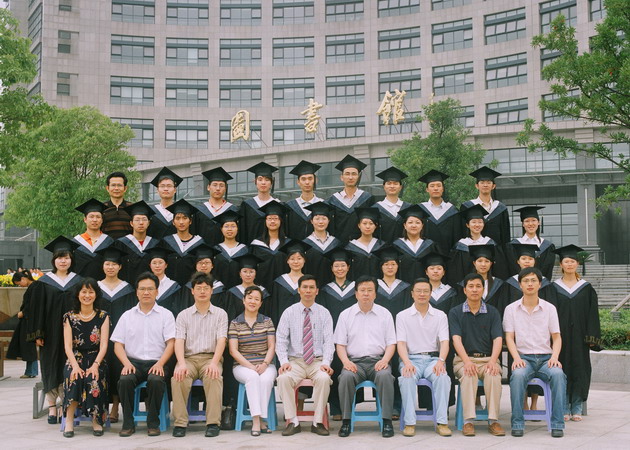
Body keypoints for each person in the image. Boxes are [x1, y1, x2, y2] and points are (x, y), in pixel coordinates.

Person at [25, 236, 82, 425]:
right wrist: (38, 333)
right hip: (49, 333)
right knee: (50, 365)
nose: (63, 261)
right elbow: (36, 309)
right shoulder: (43, 283)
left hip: (74, 333)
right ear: (54, 260)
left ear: (71, 259)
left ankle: (67, 404)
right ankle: (51, 405)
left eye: (66, 257)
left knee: (70, 365)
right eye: (59, 257)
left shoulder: (78, 282)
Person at [504, 267, 566, 438]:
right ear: (520, 285)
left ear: (540, 284)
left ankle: (557, 424)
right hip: (524, 359)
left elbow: (557, 337)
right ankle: (517, 423)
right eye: (526, 281)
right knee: (517, 376)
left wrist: (555, 357)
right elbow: (509, 337)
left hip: (546, 358)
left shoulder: (549, 308)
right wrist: (516, 358)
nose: (530, 284)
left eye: (533, 280)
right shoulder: (511, 309)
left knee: (558, 375)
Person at [111, 272, 175, 437]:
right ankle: (128, 423)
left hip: (157, 362)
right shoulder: (127, 316)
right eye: (142, 289)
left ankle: (153, 422)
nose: (146, 292)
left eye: (150, 289)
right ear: (137, 292)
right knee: (125, 380)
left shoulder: (166, 315)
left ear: (157, 291)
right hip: (133, 363)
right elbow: (118, 344)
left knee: (156, 380)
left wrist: (160, 364)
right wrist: (126, 363)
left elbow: (171, 343)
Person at [335, 276, 396, 438]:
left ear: (375, 294)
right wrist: (345, 361)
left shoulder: (385, 314)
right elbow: (340, 344)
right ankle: (346, 421)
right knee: (346, 377)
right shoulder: (346, 315)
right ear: (356, 293)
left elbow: (391, 343)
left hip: (378, 361)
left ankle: (387, 421)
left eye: (370, 290)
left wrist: (385, 360)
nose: (366, 294)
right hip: (354, 363)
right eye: (362, 290)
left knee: (385, 376)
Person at [276, 275, 334, 437]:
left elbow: (329, 341)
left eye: (311, 287)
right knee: (283, 378)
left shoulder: (324, 313)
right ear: (299, 290)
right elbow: (281, 339)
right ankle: (293, 421)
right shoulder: (289, 312)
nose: (308, 290)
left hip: (317, 361)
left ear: (317, 291)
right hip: (296, 362)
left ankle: (317, 422)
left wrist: (327, 362)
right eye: (305, 287)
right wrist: (284, 361)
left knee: (324, 379)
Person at [171, 272, 228, 438]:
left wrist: (214, 363)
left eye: (206, 288)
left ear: (211, 291)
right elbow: (179, 341)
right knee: (178, 377)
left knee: (214, 377)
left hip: (211, 358)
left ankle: (213, 423)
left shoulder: (220, 314)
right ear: (192, 291)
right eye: (199, 288)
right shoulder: (183, 315)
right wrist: (181, 363)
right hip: (188, 359)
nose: (202, 291)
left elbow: (221, 340)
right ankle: (180, 423)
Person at [448, 273, 505, 437]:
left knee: (493, 376)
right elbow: (456, 339)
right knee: (469, 375)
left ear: (483, 289)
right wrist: (467, 361)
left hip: (488, 359)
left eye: (478, 286)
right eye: (471, 286)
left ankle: (493, 421)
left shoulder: (493, 312)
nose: (474, 290)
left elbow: (498, 339)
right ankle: (468, 421)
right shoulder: (455, 312)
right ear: (465, 290)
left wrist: (493, 361)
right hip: (464, 360)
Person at [397, 278, 452, 437]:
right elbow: (401, 343)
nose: (422, 294)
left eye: (426, 291)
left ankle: (442, 422)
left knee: (443, 377)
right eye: (418, 291)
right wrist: (406, 362)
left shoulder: (440, 315)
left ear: (430, 293)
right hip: (411, 359)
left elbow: (445, 342)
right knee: (407, 377)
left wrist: (441, 361)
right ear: (412, 293)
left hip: (433, 360)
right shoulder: (402, 316)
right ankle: (409, 423)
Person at [552, 245, 601, 422]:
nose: (570, 264)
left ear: (577, 264)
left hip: (580, 336)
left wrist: (591, 337)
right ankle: (564, 404)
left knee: (580, 369)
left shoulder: (586, 288)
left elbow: (592, 314)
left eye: (572, 261)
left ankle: (577, 405)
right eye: (566, 261)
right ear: (561, 264)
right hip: (560, 336)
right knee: (562, 367)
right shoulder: (553, 288)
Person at [61, 278, 110, 437]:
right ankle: (69, 420)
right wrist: (75, 366)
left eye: (91, 292)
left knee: (93, 378)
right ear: (78, 294)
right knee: (74, 377)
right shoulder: (69, 317)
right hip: (75, 358)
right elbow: (68, 346)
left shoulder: (103, 316)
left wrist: (95, 365)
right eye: (84, 292)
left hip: (96, 358)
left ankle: (96, 419)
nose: (87, 295)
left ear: (96, 295)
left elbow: (104, 345)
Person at [229, 285, 277, 436]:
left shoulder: (267, 321)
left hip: (265, 363)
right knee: (253, 377)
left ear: (261, 303)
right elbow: (233, 350)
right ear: (243, 300)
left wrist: (265, 364)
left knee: (266, 379)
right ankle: (257, 420)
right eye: (249, 298)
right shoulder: (235, 323)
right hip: (242, 366)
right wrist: (250, 366)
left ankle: (260, 419)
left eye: (256, 299)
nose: (252, 301)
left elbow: (272, 346)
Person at [95, 246, 136, 423]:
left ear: (120, 267)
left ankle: (115, 407)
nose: (110, 267)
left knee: (118, 369)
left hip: (121, 337)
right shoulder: (96, 288)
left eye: (114, 264)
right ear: (103, 266)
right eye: (107, 264)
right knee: (102, 368)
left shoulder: (128, 289)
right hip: (98, 336)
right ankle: (101, 406)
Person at [317, 248, 356, 421]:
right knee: (334, 369)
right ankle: (335, 408)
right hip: (331, 336)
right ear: (332, 269)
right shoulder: (326, 290)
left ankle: (351, 407)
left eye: (343, 265)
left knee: (351, 369)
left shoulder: (355, 288)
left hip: (352, 335)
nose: (340, 269)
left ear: (348, 267)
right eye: (336, 266)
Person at [447, 204, 507, 285]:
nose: (477, 225)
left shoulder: (490, 243)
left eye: (480, 222)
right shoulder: (460, 246)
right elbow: (456, 272)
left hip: (489, 285)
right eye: (474, 222)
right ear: (467, 225)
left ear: (483, 224)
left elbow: (499, 269)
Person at [326, 155, 375, 242]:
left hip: (361, 246)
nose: (350, 177)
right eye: (347, 174)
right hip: (338, 246)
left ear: (358, 176)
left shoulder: (367, 198)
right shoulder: (332, 200)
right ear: (342, 177)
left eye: (354, 174)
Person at [461, 166, 510, 246]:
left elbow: (505, 236)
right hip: (472, 249)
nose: (485, 185)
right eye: (482, 182)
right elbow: (463, 232)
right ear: (477, 186)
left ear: (493, 186)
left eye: (488, 182)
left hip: (496, 251)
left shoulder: (501, 208)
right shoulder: (467, 206)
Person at [162, 199, 206, 285]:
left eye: (185, 218)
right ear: (173, 222)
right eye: (178, 218)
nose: (181, 222)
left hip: (192, 287)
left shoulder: (199, 243)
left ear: (190, 221)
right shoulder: (167, 242)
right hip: (170, 287)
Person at [418, 170, 462, 254]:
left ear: (443, 189)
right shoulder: (420, 210)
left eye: (439, 185)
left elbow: (457, 236)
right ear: (427, 189)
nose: (435, 188)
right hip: (425, 256)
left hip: (448, 256)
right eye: (432, 186)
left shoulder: (452, 211)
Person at [506, 206, 556, 279]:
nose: (530, 224)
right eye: (527, 221)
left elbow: (548, 271)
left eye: (533, 220)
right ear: (523, 224)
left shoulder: (548, 246)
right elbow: (512, 268)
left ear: (538, 222)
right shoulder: (513, 246)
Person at [392, 205, 438, 283]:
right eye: (410, 222)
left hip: (425, 287)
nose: (414, 225)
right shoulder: (396, 245)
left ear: (422, 225)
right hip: (403, 287)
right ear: (405, 225)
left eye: (417, 222)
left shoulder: (430, 245)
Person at [117, 200, 160, 284]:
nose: (141, 223)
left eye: (144, 219)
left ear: (148, 223)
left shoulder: (155, 244)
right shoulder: (121, 244)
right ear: (131, 223)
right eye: (137, 220)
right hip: (127, 287)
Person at [250, 200, 289, 289]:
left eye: (275, 218)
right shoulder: (257, 244)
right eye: (269, 218)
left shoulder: (287, 244)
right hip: (262, 287)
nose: (272, 221)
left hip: (283, 288)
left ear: (280, 221)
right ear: (265, 221)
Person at [194, 167, 237, 248]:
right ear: (208, 187)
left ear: (225, 188)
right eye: (215, 185)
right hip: (204, 253)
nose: (218, 188)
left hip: (227, 253)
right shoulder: (199, 210)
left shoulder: (233, 210)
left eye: (221, 185)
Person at [6, 271, 38, 379]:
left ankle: (31, 371)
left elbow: (33, 304)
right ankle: (30, 371)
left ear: (23, 279)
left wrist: (23, 312)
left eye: (19, 283)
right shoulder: (33, 287)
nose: (20, 285)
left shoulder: (34, 287)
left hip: (29, 320)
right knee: (28, 346)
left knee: (29, 346)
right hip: (28, 320)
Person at [302, 202, 342, 287]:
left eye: (324, 219)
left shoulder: (336, 243)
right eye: (317, 219)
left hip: (333, 288)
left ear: (329, 221)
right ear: (311, 221)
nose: (320, 222)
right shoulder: (305, 244)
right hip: (312, 287)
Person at [73, 198, 114, 280]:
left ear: (102, 220)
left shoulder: (109, 242)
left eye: (98, 217)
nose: (95, 220)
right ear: (85, 219)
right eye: (91, 217)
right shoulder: (75, 243)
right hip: (81, 285)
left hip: (104, 286)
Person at [270, 240, 309, 325]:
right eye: (292, 259)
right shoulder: (279, 282)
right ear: (287, 261)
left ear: (304, 260)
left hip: (305, 327)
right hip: (283, 326)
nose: (296, 262)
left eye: (299, 258)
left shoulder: (309, 282)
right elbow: (275, 309)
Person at [459, 244, 508, 312]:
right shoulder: (465, 284)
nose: (483, 264)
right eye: (480, 261)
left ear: (491, 264)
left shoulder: (498, 284)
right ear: (474, 263)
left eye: (487, 261)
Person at [240, 162, 280, 244]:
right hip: (252, 248)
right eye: (260, 179)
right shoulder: (247, 205)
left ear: (271, 183)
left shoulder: (278, 205)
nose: (263, 182)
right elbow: (243, 232)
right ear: (255, 181)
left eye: (267, 179)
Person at [223, 254, 270, 322]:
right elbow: (230, 317)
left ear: (255, 274)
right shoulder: (232, 293)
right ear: (240, 273)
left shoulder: (263, 293)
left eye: (251, 272)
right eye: (245, 271)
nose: (248, 275)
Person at [285, 160, 324, 241]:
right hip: (296, 248)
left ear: (315, 180)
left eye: (310, 178)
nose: (307, 182)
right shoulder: (290, 207)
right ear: (298, 182)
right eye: (303, 179)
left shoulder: (323, 204)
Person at [345, 207, 387, 280]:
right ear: (359, 225)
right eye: (364, 223)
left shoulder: (382, 246)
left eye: (371, 223)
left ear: (376, 226)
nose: (367, 226)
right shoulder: (350, 247)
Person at [212, 209, 248, 289]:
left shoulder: (245, 250)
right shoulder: (216, 250)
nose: (229, 229)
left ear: (237, 228)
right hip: (219, 291)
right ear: (221, 229)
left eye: (233, 226)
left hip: (240, 291)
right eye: (226, 226)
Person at [374, 167, 411, 244]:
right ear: (384, 186)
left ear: (400, 187)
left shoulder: (408, 208)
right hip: (382, 250)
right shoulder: (376, 208)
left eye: (395, 183)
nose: (392, 186)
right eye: (389, 183)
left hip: (404, 249)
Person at [147, 246, 184, 317]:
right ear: (150, 265)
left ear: (166, 265)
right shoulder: (145, 285)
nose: (157, 266)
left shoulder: (174, 286)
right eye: (154, 263)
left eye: (160, 262)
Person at [147, 167, 182, 240]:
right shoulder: (150, 212)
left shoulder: (181, 211)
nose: (166, 189)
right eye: (162, 186)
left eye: (169, 186)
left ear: (175, 190)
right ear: (157, 190)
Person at [102, 172, 133, 239]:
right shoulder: (101, 208)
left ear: (125, 188)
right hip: (107, 245)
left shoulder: (133, 208)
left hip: (128, 245)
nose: (116, 188)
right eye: (113, 185)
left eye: (119, 185)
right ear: (107, 188)